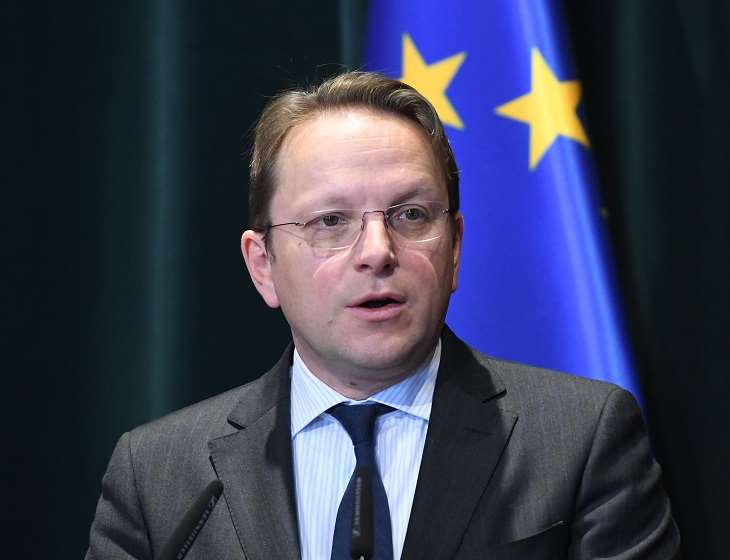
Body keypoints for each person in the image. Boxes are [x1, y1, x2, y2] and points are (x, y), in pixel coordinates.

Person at [86, 71, 680, 559]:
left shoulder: (580, 439)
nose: (377, 251)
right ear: (262, 265)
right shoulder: (160, 475)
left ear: (454, 249)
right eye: (330, 221)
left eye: (411, 215)